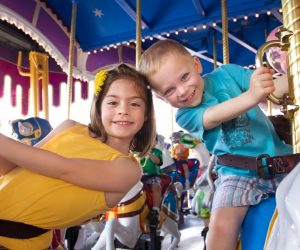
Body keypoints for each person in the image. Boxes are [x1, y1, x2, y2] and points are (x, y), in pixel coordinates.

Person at [139, 39, 293, 250]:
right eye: (169, 91)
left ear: (196, 65)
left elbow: (275, 88)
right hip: (238, 175)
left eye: (184, 77)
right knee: (220, 227)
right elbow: (213, 116)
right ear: (161, 98)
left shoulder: (228, 74)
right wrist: (252, 95)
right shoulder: (185, 115)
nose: (182, 91)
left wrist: (285, 81)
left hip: (283, 162)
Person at [0, 63, 156, 249]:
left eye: (135, 104)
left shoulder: (128, 169)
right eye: (113, 102)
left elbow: (63, 169)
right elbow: (12, 167)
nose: (123, 110)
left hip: (16, 242)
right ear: (98, 107)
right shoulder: (69, 127)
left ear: (146, 114)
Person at [140, 135, 163, 227]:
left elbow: (158, 162)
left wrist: (149, 154)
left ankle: (155, 208)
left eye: (152, 141)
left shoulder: (157, 152)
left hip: (153, 174)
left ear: (156, 142)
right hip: (141, 176)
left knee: (156, 187)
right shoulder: (140, 153)